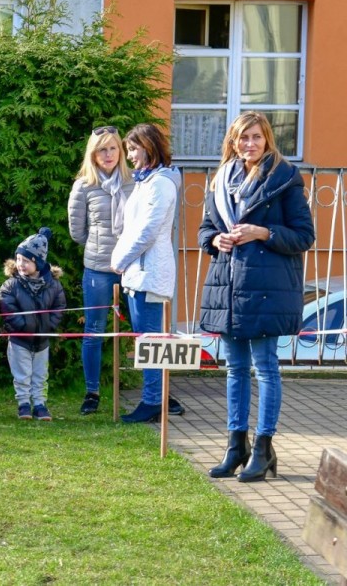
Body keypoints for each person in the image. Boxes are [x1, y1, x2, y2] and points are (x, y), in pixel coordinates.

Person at [199, 112, 315, 482]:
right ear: (232, 142)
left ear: (268, 140)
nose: (249, 144)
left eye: (256, 137)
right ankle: (237, 446)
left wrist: (262, 232)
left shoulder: (285, 178)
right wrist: (216, 240)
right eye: (242, 138)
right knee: (234, 369)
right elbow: (206, 228)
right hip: (229, 286)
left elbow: (303, 236)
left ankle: (263, 448)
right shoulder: (220, 181)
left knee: (265, 367)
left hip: (268, 288)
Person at [112, 124, 185, 424]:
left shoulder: (160, 183)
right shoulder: (147, 181)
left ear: (150, 147)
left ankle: (153, 401)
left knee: (151, 343)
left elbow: (148, 231)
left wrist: (120, 259)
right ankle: (162, 396)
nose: (128, 156)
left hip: (148, 273)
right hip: (137, 272)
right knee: (149, 340)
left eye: (133, 149)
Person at [67, 125, 133, 415]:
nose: (108, 154)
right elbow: (77, 232)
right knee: (94, 330)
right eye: (101, 149)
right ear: (92, 154)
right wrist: (100, 245)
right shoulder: (83, 186)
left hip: (132, 267)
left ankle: (156, 392)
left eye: (112, 148)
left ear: (121, 151)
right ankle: (92, 392)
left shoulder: (135, 182)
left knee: (145, 330)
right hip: (97, 267)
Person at [0, 228, 65, 422]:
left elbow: (59, 306)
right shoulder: (11, 285)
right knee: (22, 374)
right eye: (18, 259)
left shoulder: (53, 284)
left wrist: (49, 325)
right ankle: (23, 404)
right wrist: (21, 326)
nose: (20, 264)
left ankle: (40, 404)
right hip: (20, 340)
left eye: (26, 261)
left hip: (42, 339)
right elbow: (7, 308)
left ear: (38, 263)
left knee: (40, 374)